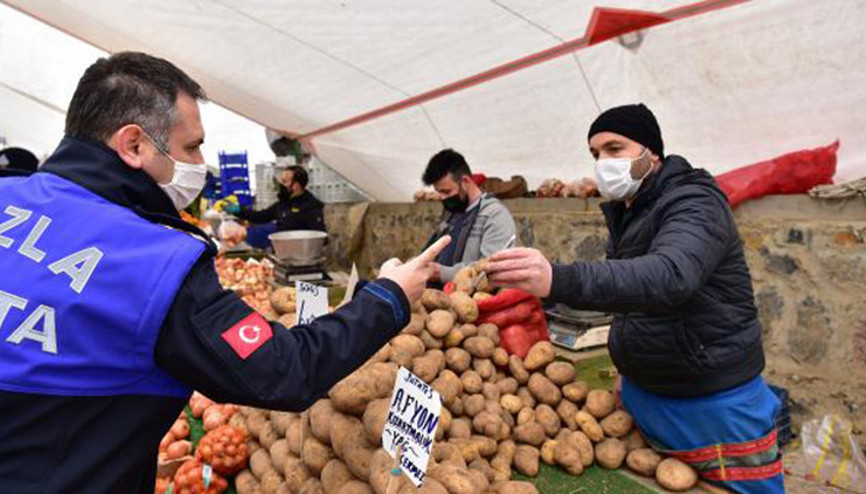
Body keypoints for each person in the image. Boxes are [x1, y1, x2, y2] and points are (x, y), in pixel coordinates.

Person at [0, 51, 449, 493]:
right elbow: (285, 370)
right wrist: (389, 297)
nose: (198, 163)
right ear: (133, 144)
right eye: (191, 146)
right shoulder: (151, 262)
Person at [485, 104, 783, 494]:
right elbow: (635, 298)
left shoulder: (695, 202)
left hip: (712, 404)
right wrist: (629, 368)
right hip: (648, 397)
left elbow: (670, 276)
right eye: (595, 154)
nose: (603, 163)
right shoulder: (633, 211)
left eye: (614, 148)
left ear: (651, 152)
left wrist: (556, 278)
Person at [422, 149, 516, 284]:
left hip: (468, 301)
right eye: (439, 192)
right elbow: (432, 247)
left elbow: (492, 270)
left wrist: (441, 273)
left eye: (446, 191)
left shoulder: (495, 215)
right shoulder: (451, 214)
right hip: (437, 297)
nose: (442, 198)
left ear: (465, 181)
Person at [234, 165, 326, 233]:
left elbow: (320, 237)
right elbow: (261, 216)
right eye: (281, 181)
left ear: (296, 185)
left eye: (285, 182)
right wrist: (236, 210)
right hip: (283, 252)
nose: (281, 185)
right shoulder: (283, 204)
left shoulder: (311, 206)